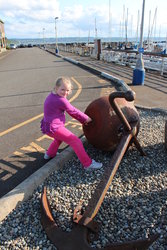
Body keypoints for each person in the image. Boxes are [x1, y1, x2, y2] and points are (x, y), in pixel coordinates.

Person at [40, 77, 102, 171]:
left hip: (48, 125)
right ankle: (87, 164)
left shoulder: (52, 95)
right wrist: (87, 119)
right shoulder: (61, 100)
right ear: (56, 88)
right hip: (54, 127)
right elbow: (73, 111)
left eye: (68, 90)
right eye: (63, 89)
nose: (65, 93)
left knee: (59, 139)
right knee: (75, 141)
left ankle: (49, 154)